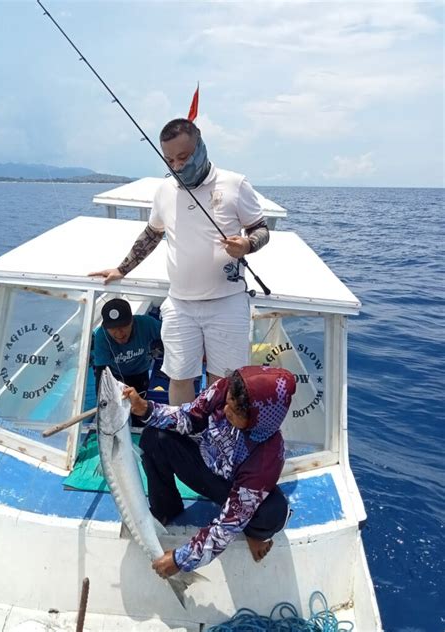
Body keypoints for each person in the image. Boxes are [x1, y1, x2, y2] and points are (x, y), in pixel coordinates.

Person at [89, 118, 270, 405]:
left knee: (222, 382)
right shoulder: (164, 191)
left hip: (227, 302)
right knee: (179, 377)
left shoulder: (235, 184)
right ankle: (181, 441)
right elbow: (152, 233)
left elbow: (261, 229)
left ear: (201, 147)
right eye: (170, 160)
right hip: (180, 305)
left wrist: (247, 244)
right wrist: (122, 268)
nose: (177, 166)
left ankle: (215, 442)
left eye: (183, 157)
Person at [123, 365, 296, 578]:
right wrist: (146, 409)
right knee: (154, 437)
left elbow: (229, 523)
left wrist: (181, 559)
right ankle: (166, 508)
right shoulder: (225, 388)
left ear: (259, 419)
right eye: (228, 402)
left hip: (236, 490)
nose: (225, 411)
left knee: (274, 513)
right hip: (205, 465)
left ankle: (255, 533)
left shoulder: (267, 458)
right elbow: (189, 417)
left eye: (235, 411)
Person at [93, 298, 162, 397]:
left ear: (132, 321)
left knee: (139, 404)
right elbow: (101, 371)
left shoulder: (146, 324)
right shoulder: (101, 336)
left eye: (123, 326)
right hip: (115, 376)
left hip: (140, 372)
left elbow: (169, 334)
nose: (119, 333)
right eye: (113, 328)